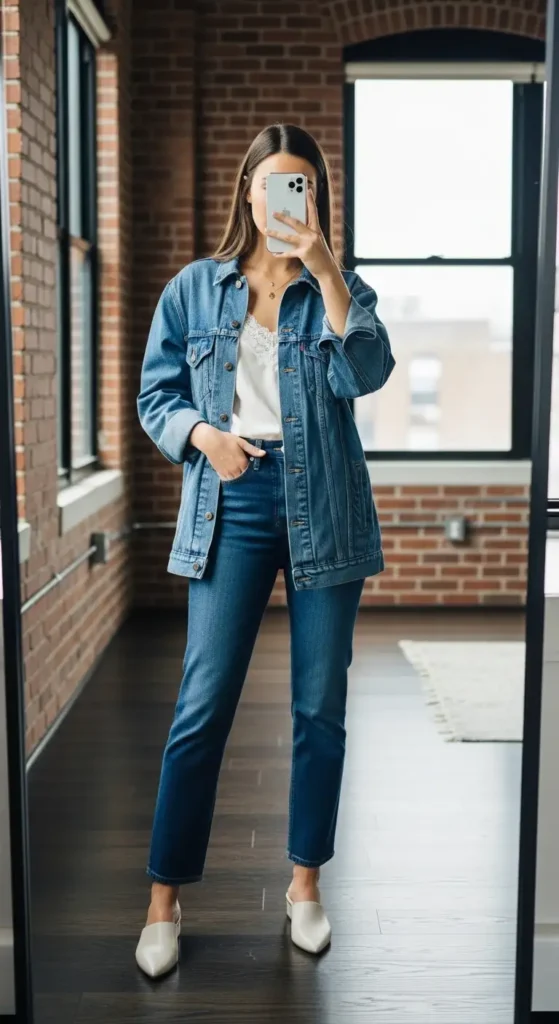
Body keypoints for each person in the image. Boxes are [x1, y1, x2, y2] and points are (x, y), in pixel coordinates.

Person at [135, 123, 395, 977]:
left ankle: (304, 885)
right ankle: (164, 899)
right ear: (247, 191)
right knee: (200, 709)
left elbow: (366, 373)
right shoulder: (192, 290)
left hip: (323, 504)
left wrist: (323, 272)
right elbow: (156, 395)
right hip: (230, 498)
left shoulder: (341, 289)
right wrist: (202, 434)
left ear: (315, 199)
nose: (287, 199)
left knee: (318, 711)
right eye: (274, 183)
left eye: (303, 187)